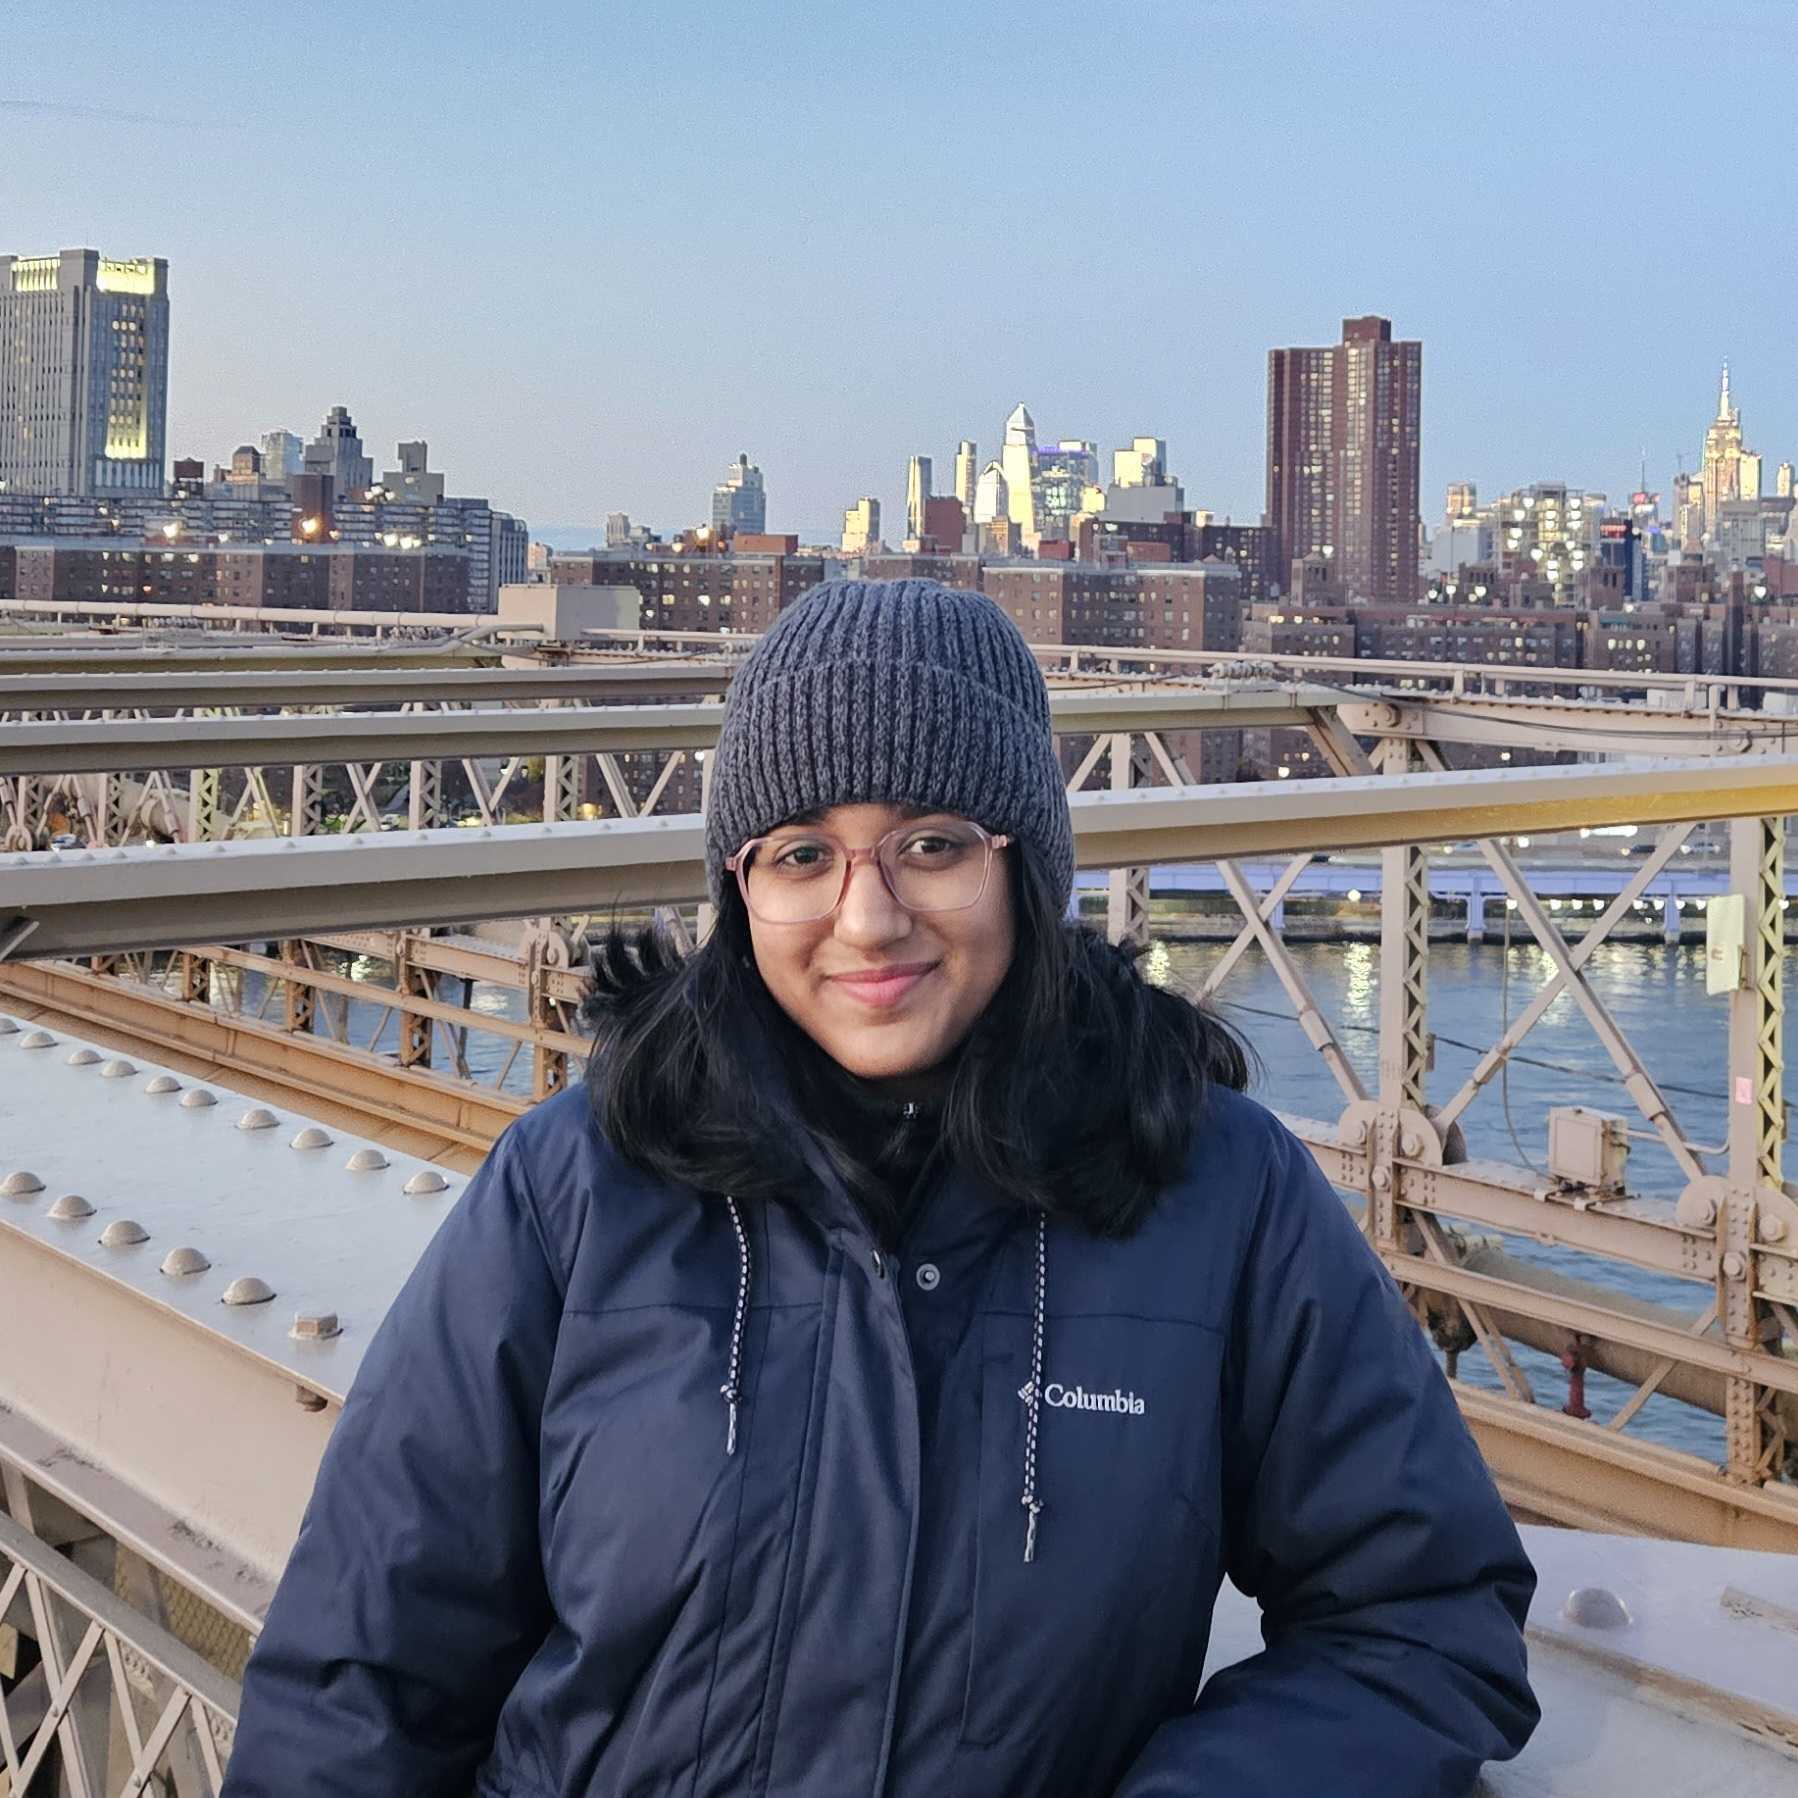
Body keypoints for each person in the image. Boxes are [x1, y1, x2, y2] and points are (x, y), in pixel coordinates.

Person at [225, 578, 1538, 1795]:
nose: (867, 917)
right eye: (800, 852)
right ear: (739, 888)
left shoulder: (1213, 1192)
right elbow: (360, 1675)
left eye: (929, 842)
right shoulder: (578, 1182)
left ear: (1020, 866)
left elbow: (1421, 1616)